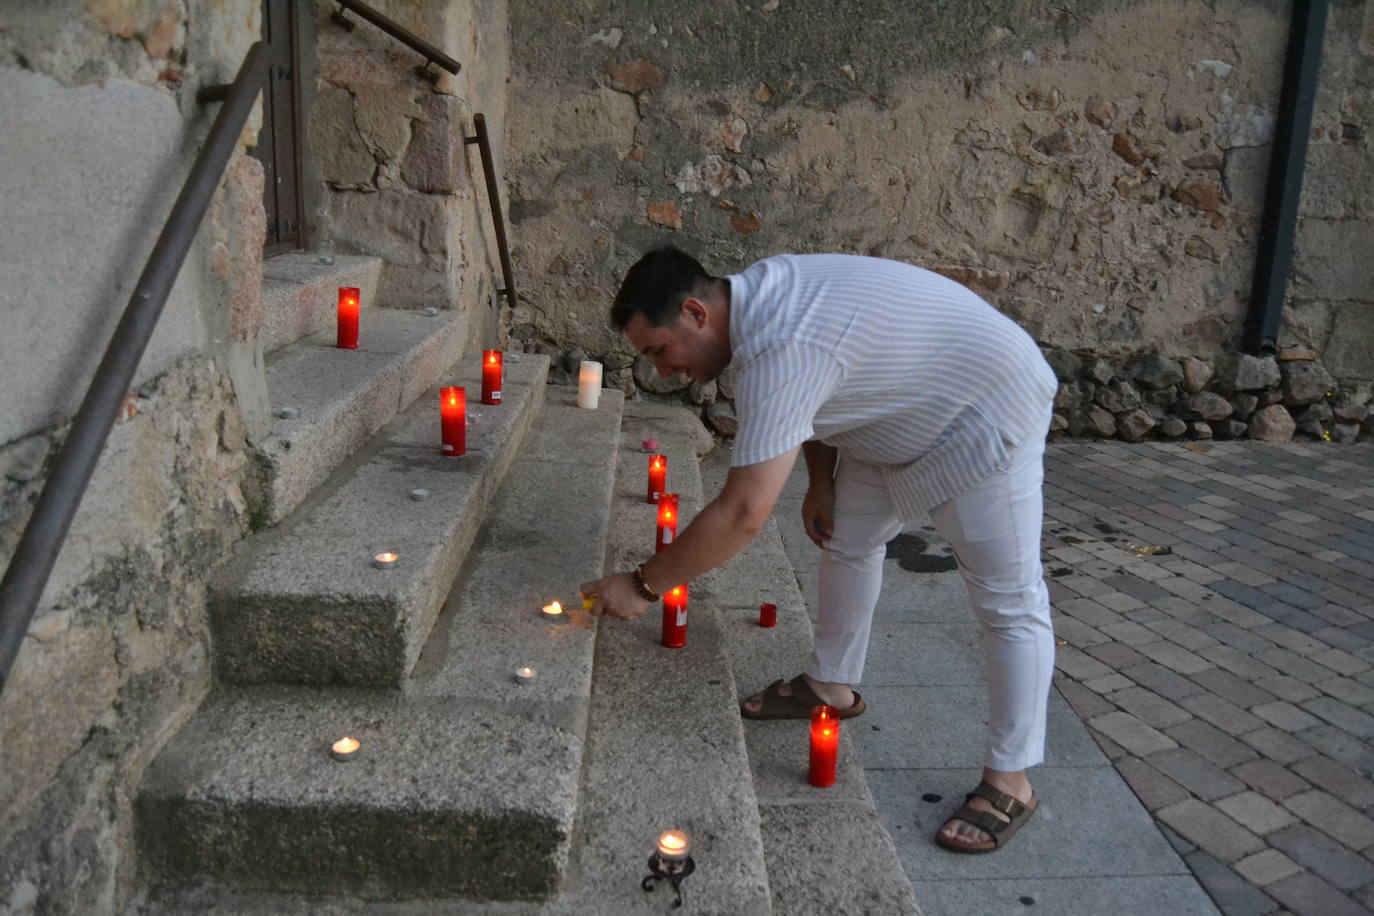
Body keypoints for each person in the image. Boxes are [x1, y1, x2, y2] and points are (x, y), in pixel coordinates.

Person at [580, 246, 1058, 854]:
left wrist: (644, 585)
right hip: (894, 412)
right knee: (850, 542)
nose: (664, 372)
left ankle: (1011, 781)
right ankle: (831, 686)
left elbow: (742, 513)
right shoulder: (760, 308)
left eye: (659, 350)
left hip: (985, 408)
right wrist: (822, 482)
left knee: (1007, 601)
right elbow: (816, 391)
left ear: (697, 313)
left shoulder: (781, 346)